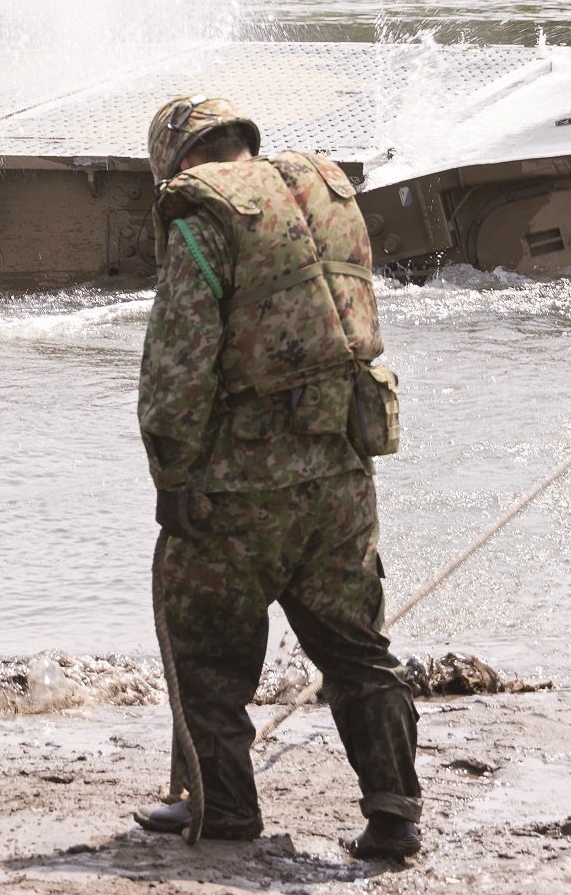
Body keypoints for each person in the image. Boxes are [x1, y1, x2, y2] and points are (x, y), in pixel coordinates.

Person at [131, 95, 422, 858]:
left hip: (238, 487)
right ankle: (393, 813)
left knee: (202, 648)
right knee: (359, 649)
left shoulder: (202, 218)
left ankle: (221, 809)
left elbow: (178, 362)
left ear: (175, 160)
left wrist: (172, 473)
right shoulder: (318, 198)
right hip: (340, 474)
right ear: (241, 144)